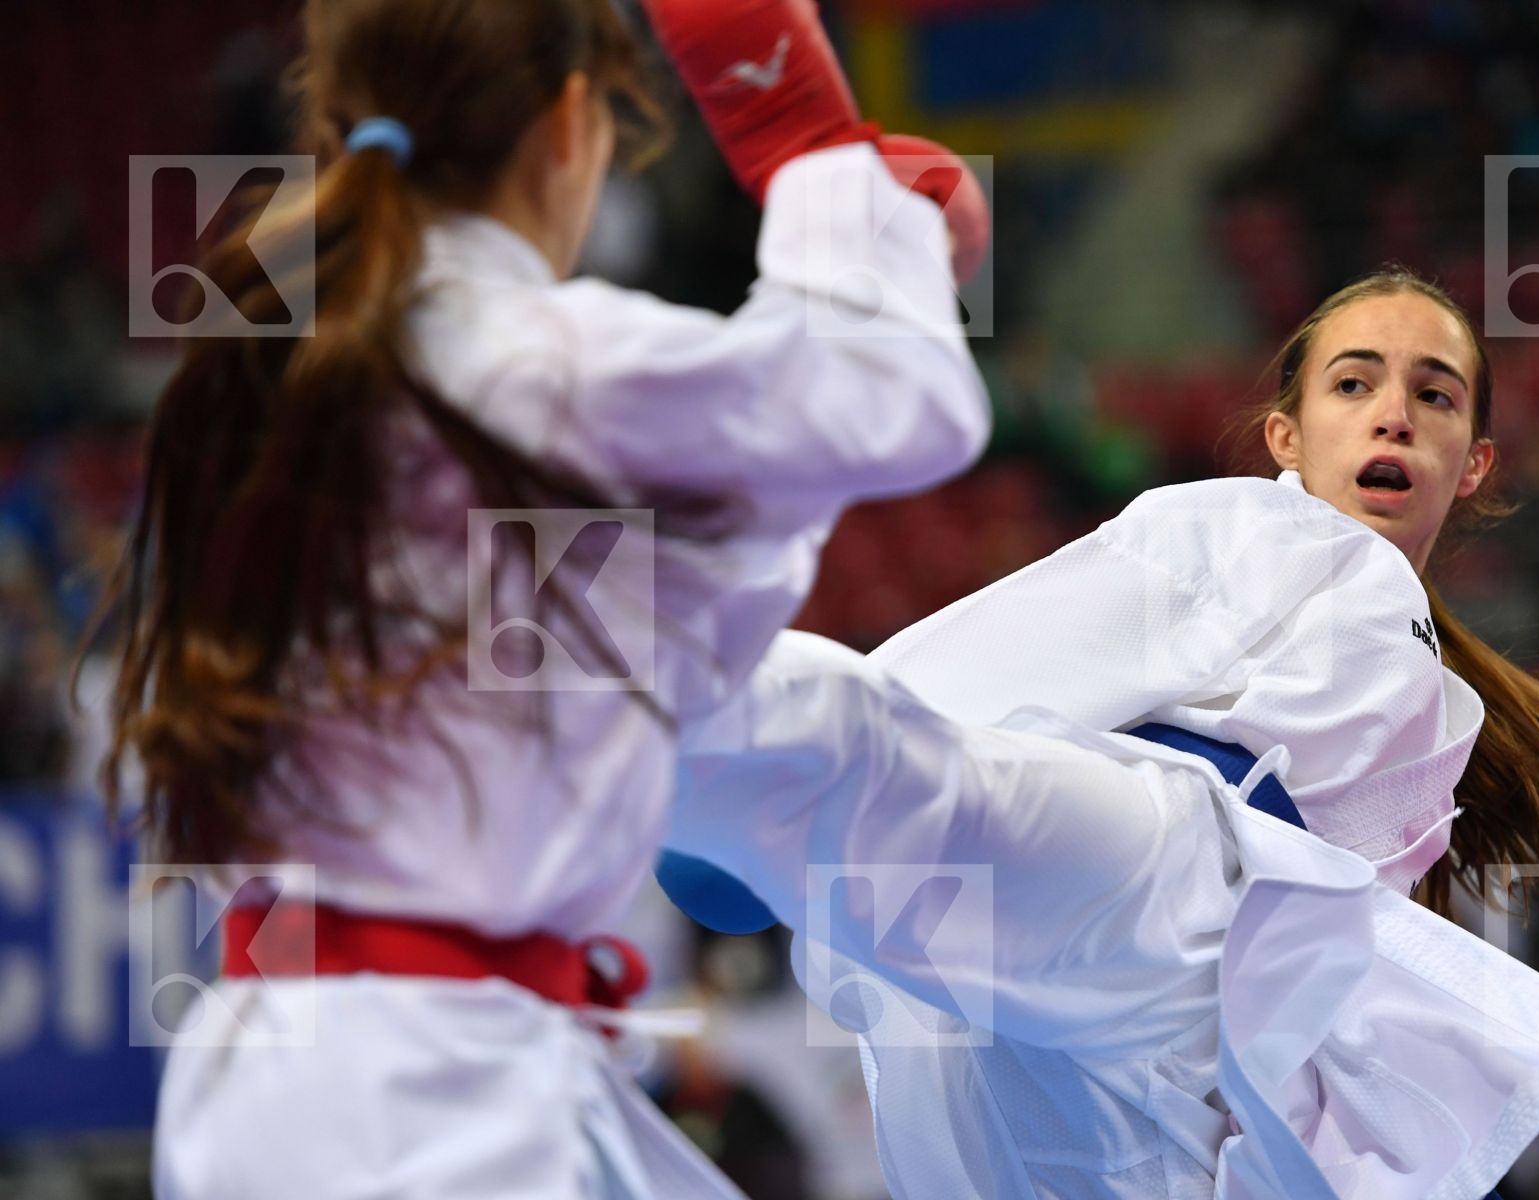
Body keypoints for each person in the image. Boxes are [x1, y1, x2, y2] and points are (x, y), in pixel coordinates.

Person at [97, 0, 991, 1196]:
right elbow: (903, 401)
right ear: (571, 125)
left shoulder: (288, 361)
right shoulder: (540, 360)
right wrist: (809, 148)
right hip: (415, 1093)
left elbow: (653, 625)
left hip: (335, 1061)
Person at [666, 269, 1539, 1198]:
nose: (1395, 414)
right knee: (948, 796)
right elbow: (1010, 649)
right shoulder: (1239, 528)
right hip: (1165, 867)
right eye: (1354, 384)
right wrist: (793, 780)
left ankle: (748, 775)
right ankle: (704, 735)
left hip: (1196, 1047)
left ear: (1475, 463)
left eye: (1436, 395)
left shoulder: (1442, 707)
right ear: (1287, 439)